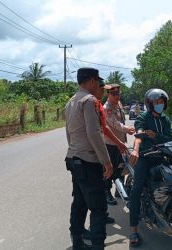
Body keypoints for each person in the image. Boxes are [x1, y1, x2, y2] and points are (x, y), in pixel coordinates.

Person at [65, 67, 113, 250]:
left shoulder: (71, 101)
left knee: (80, 202)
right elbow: (94, 133)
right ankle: (97, 245)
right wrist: (106, 161)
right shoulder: (89, 100)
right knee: (98, 208)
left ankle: (77, 241)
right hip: (88, 162)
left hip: (73, 158)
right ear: (92, 81)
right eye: (97, 81)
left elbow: (69, 133)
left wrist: (74, 150)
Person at [128, 88, 172, 247]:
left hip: (161, 156)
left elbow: (170, 138)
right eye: (156, 102)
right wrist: (136, 149)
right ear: (150, 104)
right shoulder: (143, 116)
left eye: (162, 102)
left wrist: (156, 136)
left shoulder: (165, 119)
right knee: (136, 189)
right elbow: (139, 133)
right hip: (145, 158)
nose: (160, 105)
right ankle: (133, 229)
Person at [103, 84, 135, 205]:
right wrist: (127, 129)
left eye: (118, 94)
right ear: (108, 94)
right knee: (109, 169)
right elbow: (114, 123)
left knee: (121, 167)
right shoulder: (107, 107)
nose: (116, 96)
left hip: (120, 142)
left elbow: (121, 120)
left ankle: (119, 190)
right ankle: (106, 193)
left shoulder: (119, 104)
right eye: (113, 94)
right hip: (110, 143)